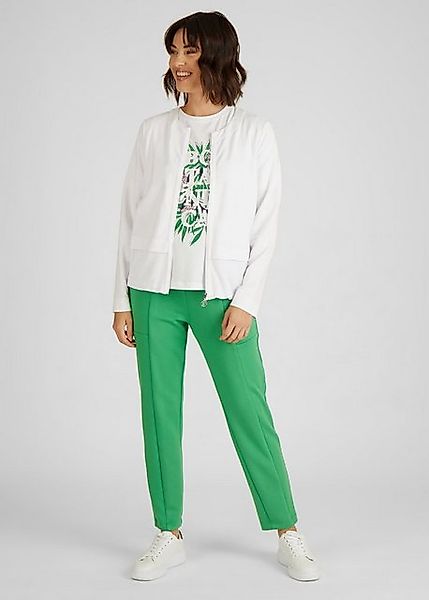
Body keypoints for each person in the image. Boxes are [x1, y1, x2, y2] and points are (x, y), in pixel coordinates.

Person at [112, 10, 320, 582]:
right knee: (159, 413)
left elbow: (266, 222)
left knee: (249, 410)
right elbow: (128, 217)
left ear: (217, 55)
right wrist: (121, 299)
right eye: (173, 51)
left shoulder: (254, 132)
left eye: (190, 51)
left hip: (222, 298)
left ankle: (287, 530)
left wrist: (247, 299)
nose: (178, 63)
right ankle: (168, 532)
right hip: (153, 292)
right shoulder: (153, 131)